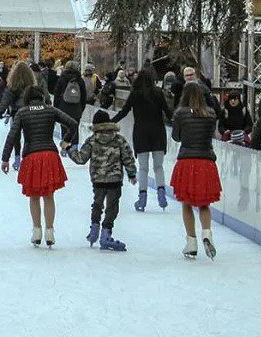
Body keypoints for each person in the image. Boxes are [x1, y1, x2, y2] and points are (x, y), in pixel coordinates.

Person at [1, 86, 78, 248]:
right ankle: (50, 231)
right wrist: (66, 141)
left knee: (34, 196)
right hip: (49, 154)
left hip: (32, 156)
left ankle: (37, 231)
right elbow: (73, 123)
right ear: (42, 97)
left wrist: (5, 158)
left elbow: (12, 135)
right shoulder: (50, 110)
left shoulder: (22, 112)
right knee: (49, 196)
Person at [64, 110, 137, 251]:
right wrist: (132, 174)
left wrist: (68, 149)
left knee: (97, 204)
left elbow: (80, 159)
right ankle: (106, 233)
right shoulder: (119, 139)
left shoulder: (92, 140)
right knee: (112, 206)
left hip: (98, 179)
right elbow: (128, 157)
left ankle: (94, 228)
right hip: (114, 179)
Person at [170, 83, 221, 260]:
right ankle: (207, 233)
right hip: (206, 161)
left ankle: (191, 241)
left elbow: (176, 137)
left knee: (186, 203)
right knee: (204, 203)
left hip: (187, 160)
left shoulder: (180, 114)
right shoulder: (211, 114)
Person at [112, 69, 173, 212]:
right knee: (158, 167)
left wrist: (109, 121)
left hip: (141, 133)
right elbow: (168, 112)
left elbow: (123, 112)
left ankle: (142, 197)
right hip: (158, 132)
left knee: (143, 168)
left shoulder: (135, 93)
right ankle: (161, 192)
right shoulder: (158, 92)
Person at [0, 62, 40, 170]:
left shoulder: (13, 85)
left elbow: (6, 98)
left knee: (15, 136)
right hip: (30, 111)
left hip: (17, 113)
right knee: (29, 136)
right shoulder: (32, 85)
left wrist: (1, 110)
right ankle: (29, 157)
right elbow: (41, 96)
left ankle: (17, 158)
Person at [53, 61, 87, 146]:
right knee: (75, 129)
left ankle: (64, 148)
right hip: (76, 109)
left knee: (64, 129)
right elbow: (84, 97)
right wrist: (81, 109)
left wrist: (56, 109)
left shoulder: (62, 78)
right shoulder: (80, 80)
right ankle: (74, 148)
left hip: (63, 109)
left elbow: (56, 94)